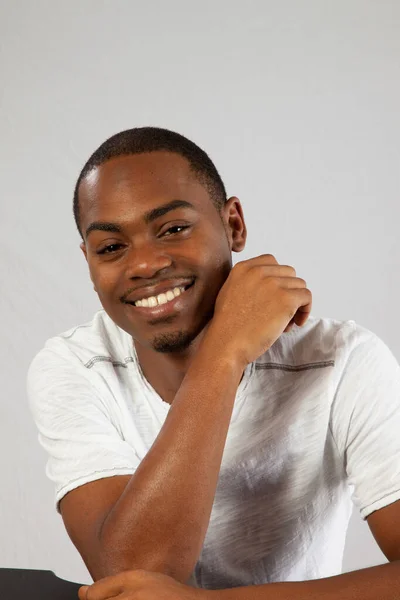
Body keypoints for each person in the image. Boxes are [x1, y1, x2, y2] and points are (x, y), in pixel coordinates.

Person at [27, 127, 400, 600]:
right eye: (111, 247)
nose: (143, 264)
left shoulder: (341, 362)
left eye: (174, 229)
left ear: (234, 225)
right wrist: (223, 354)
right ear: (88, 262)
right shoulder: (75, 367)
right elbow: (132, 570)